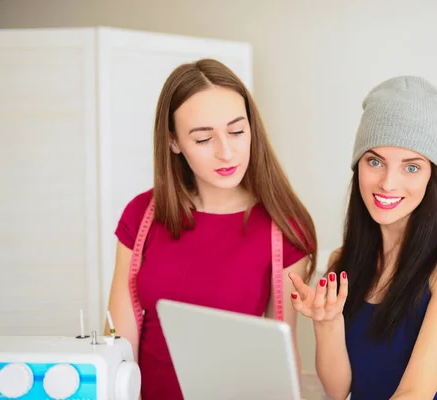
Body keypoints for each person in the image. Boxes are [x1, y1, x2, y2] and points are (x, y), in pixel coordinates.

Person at [105, 58, 317, 399]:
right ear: (173, 142)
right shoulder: (141, 216)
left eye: (236, 131)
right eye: (204, 139)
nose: (226, 151)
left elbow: (279, 361)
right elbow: (117, 353)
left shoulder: (284, 229)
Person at [289, 76, 437, 400]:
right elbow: (339, 389)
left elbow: (414, 393)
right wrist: (326, 323)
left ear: (432, 177)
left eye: (411, 168)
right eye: (375, 161)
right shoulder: (342, 262)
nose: (387, 183)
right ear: (358, 167)